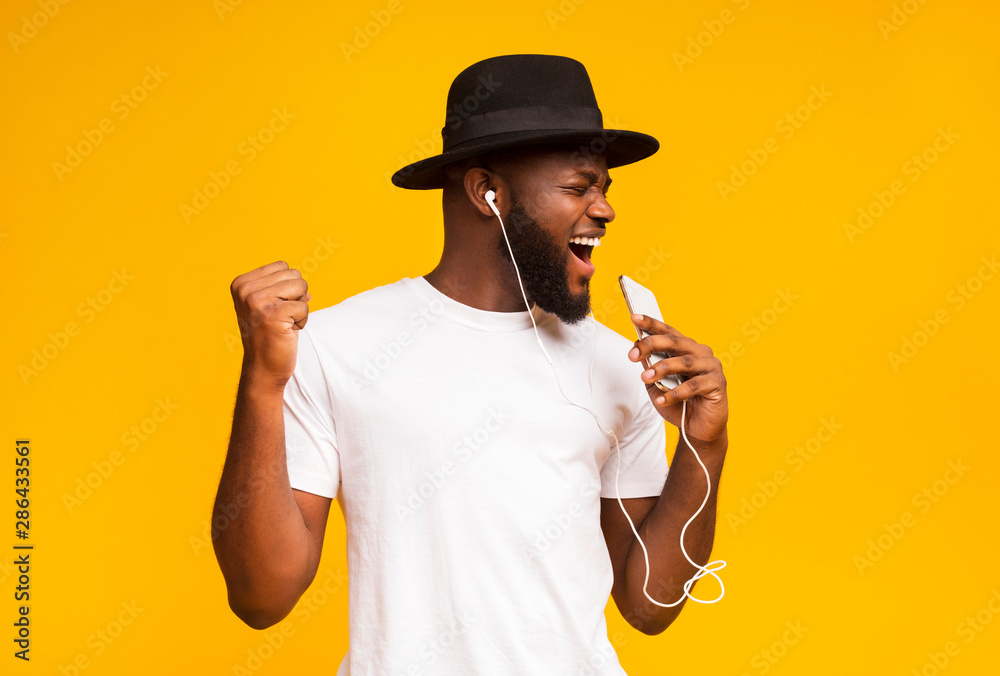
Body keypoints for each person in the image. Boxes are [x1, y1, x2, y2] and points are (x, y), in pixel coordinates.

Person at [211, 54, 729, 675]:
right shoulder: (337, 344)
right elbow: (261, 597)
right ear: (488, 192)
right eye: (578, 186)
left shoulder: (622, 365)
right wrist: (263, 383)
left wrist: (707, 443)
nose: (605, 209)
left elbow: (649, 606)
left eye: (605, 189)